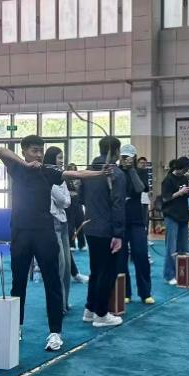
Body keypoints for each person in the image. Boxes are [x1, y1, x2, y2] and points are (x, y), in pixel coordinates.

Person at [0, 136, 106, 352]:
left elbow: (76, 174)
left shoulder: (47, 171)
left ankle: (55, 332)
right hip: (20, 233)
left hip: (44, 234)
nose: (38, 155)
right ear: (24, 151)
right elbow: (1, 150)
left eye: (41, 150)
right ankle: (16, 327)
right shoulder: (16, 168)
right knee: (18, 283)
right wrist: (25, 164)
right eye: (34, 150)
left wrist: (101, 173)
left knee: (52, 281)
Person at [81, 136, 126, 327]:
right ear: (115, 152)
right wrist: (118, 233)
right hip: (107, 229)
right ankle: (101, 314)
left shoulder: (89, 171)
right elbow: (118, 205)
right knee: (107, 272)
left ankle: (90, 309)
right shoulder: (115, 173)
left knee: (96, 270)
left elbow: (81, 198)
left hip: (90, 226)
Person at [117, 145, 154, 305]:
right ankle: (125, 292)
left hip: (137, 221)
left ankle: (145, 293)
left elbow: (140, 189)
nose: (126, 159)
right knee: (121, 258)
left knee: (141, 255)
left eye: (129, 157)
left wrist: (132, 170)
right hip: (120, 221)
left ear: (134, 157)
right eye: (124, 157)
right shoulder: (116, 172)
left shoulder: (140, 171)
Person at [44, 146, 73, 316]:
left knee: (67, 267)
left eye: (62, 157)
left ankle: (64, 302)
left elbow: (67, 202)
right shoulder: (48, 176)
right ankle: (57, 304)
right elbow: (63, 200)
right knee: (59, 267)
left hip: (64, 223)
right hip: (53, 223)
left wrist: (64, 198)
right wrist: (64, 198)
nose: (62, 161)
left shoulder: (62, 178)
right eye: (59, 158)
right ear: (52, 159)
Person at [160, 156, 189, 285]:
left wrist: (188, 191)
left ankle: (182, 273)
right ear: (179, 167)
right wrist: (179, 192)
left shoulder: (184, 178)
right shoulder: (168, 180)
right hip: (171, 216)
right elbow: (165, 198)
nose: (186, 172)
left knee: (183, 247)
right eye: (185, 169)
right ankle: (169, 275)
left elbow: (185, 194)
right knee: (171, 247)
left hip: (183, 215)